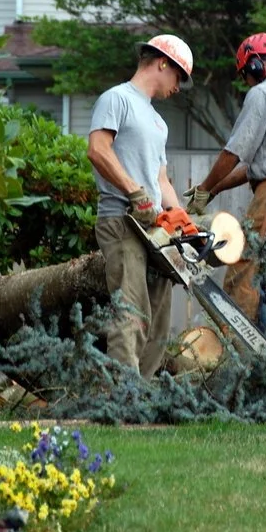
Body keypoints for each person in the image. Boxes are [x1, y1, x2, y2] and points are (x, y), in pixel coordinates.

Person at [184, 32, 266, 335]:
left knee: (243, 273)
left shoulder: (262, 95)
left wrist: (202, 189)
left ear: (256, 65)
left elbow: (234, 153)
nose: (247, 82)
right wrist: (215, 189)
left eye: (246, 74)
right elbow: (255, 167)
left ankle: (236, 354)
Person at [87, 33, 193, 379]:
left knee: (159, 317)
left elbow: (160, 182)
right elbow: (98, 150)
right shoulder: (117, 99)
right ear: (162, 63)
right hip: (121, 220)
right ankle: (122, 395)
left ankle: (141, 396)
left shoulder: (158, 122)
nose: (178, 86)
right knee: (131, 310)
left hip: (152, 229)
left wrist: (182, 222)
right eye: (178, 76)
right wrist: (134, 191)